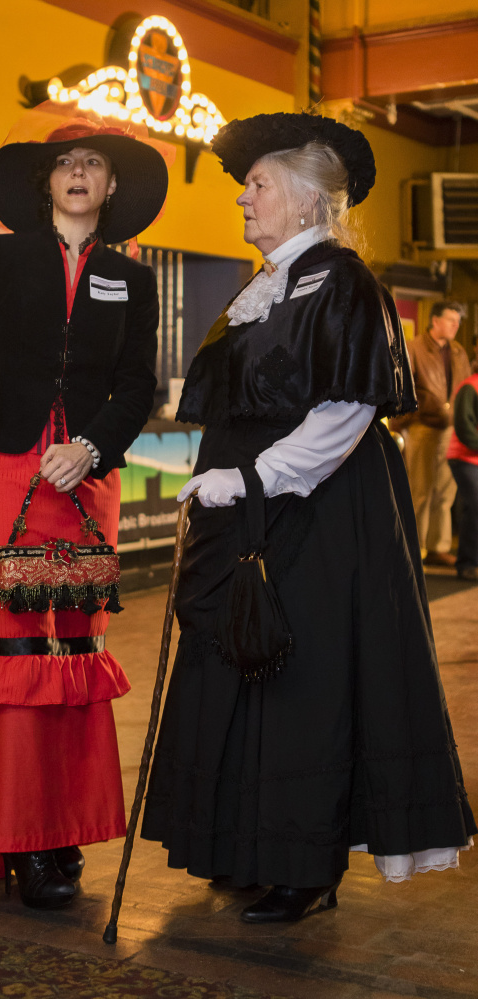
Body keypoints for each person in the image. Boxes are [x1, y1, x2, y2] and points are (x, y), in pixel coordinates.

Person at [141, 112, 476, 923]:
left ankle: (303, 863)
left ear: (303, 200)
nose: (243, 201)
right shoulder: (263, 288)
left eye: (257, 186)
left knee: (301, 676)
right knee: (240, 665)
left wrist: (251, 478)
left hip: (316, 515)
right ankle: (245, 847)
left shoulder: (341, 279)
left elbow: (344, 411)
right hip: (250, 509)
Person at [0, 110, 168, 909]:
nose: (77, 172)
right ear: (46, 180)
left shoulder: (134, 279)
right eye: (64, 161)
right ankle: (20, 840)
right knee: (15, 649)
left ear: (109, 185)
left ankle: (61, 830)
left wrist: (93, 447)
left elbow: (139, 385)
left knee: (74, 650)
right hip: (6, 470)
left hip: (86, 478)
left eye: (93, 162)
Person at [390, 302, 471, 566]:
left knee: (445, 493)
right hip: (422, 427)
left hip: (450, 429)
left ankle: (438, 546)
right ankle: (417, 548)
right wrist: (403, 425)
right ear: (434, 321)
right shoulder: (414, 348)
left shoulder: (458, 352)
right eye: (450, 320)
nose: (455, 326)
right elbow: (401, 388)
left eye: (457, 321)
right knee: (420, 491)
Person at [447, 358, 478, 581]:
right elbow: (463, 425)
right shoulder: (470, 386)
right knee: (475, 507)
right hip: (464, 457)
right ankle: (467, 563)